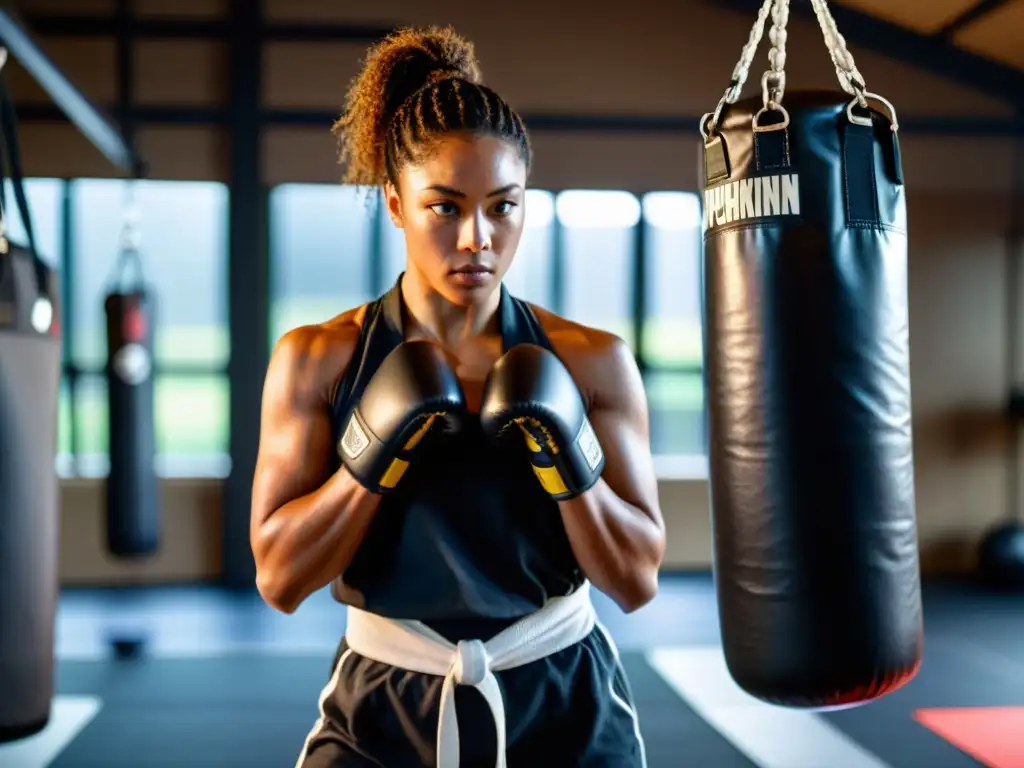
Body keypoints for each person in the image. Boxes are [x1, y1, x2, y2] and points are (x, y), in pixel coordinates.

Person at [250, 25, 666, 768]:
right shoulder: (319, 359)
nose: (477, 237)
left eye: (502, 207)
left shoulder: (592, 362)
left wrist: (567, 459)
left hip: (563, 693)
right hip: (384, 699)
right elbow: (279, 579)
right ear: (395, 204)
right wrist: (371, 457)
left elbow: (636, 581)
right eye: (445, 207)